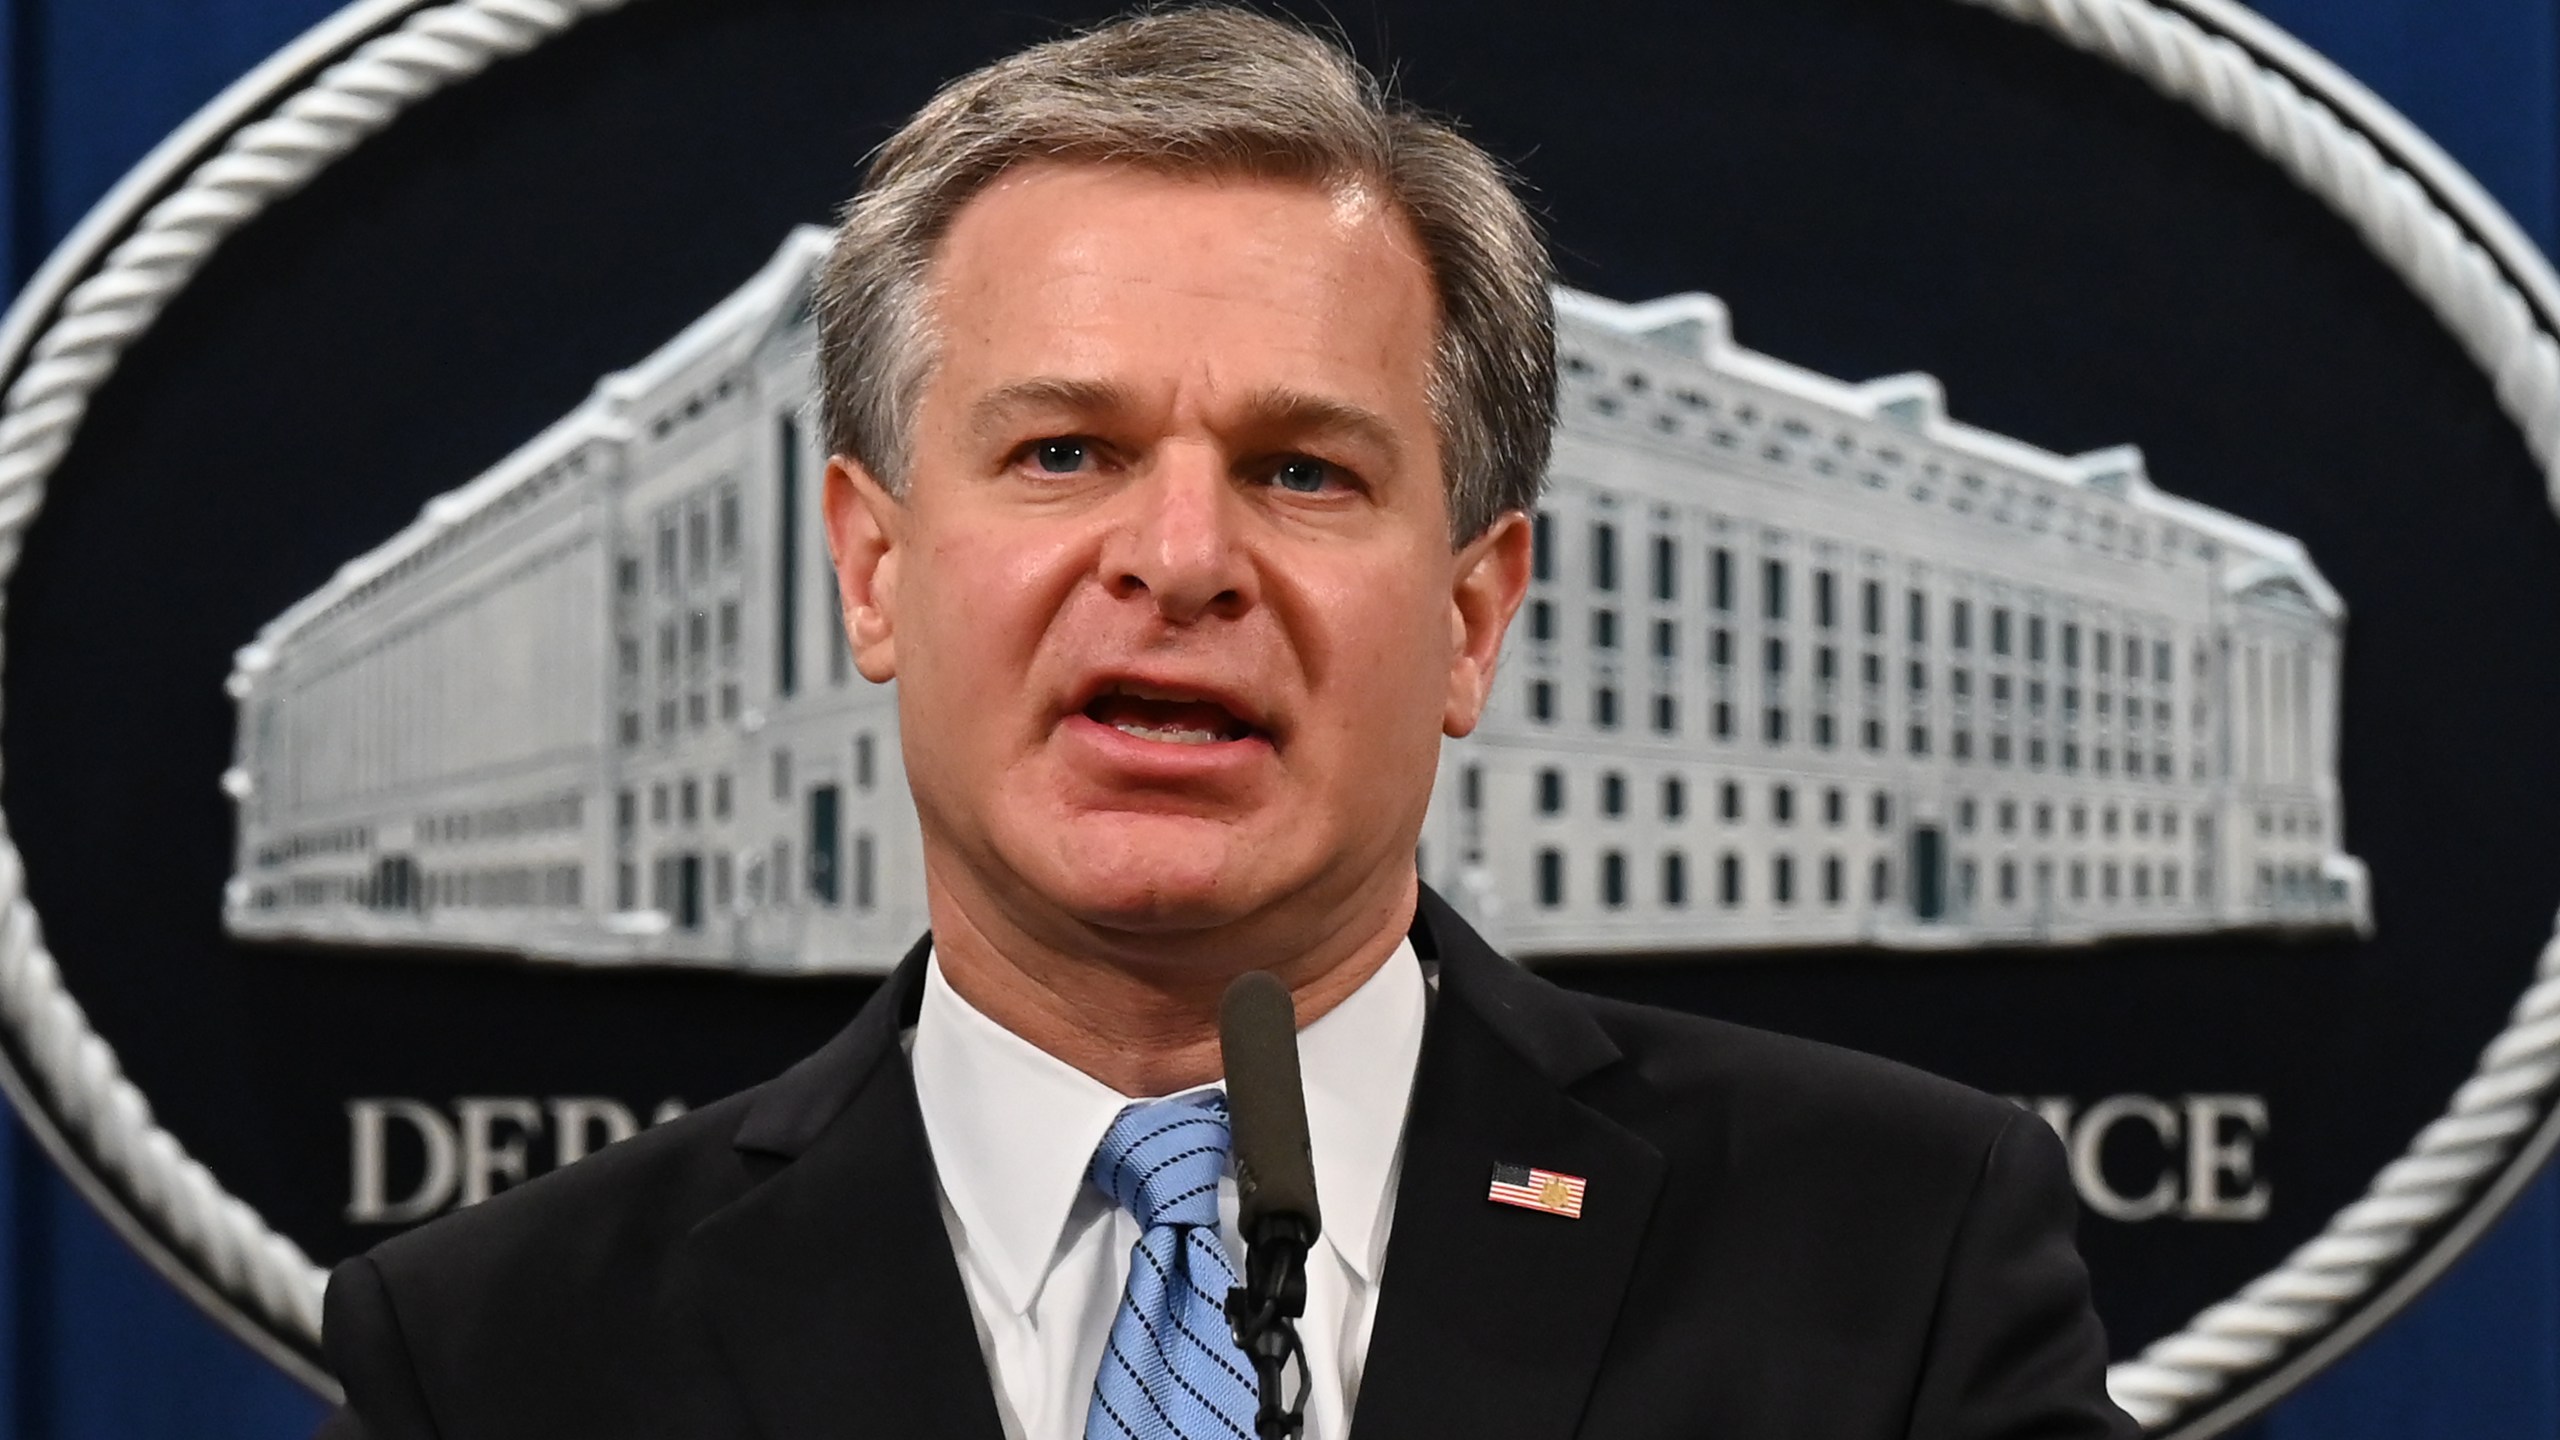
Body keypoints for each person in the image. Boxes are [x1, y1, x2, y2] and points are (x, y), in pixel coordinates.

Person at [316, 8, 2138, 1438]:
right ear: (873, 572)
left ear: (1469, 614)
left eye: (1301, 469)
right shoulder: (500, 1355)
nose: (1182, 560)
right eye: (1063, 453)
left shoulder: (1892, 1252)